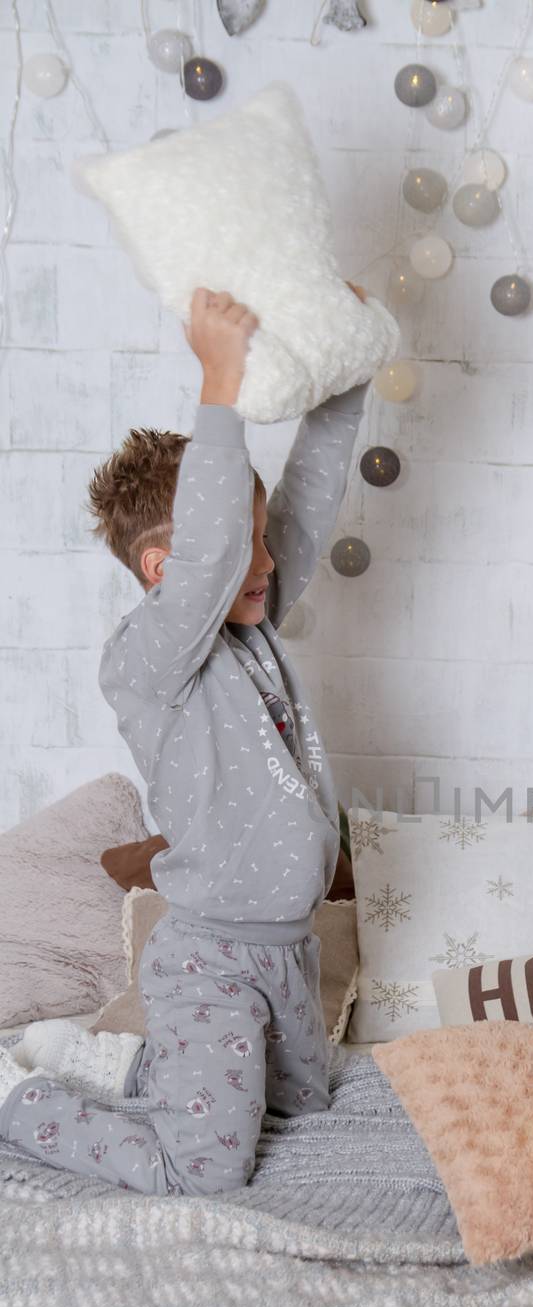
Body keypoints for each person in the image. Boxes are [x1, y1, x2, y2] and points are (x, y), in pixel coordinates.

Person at [0, 281, 395, 1195]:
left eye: (257, 542)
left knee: (306, 1114)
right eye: (238, 546)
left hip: (288, 953)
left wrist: (348, 372)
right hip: (210, 962)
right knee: (207, 1172)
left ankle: (132, 1071)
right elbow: (218, 553)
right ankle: (23, 1103)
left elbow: (302, 504)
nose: (265, 562)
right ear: (164, 569)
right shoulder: (146, 663)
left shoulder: (249, 631)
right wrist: (220, 385)